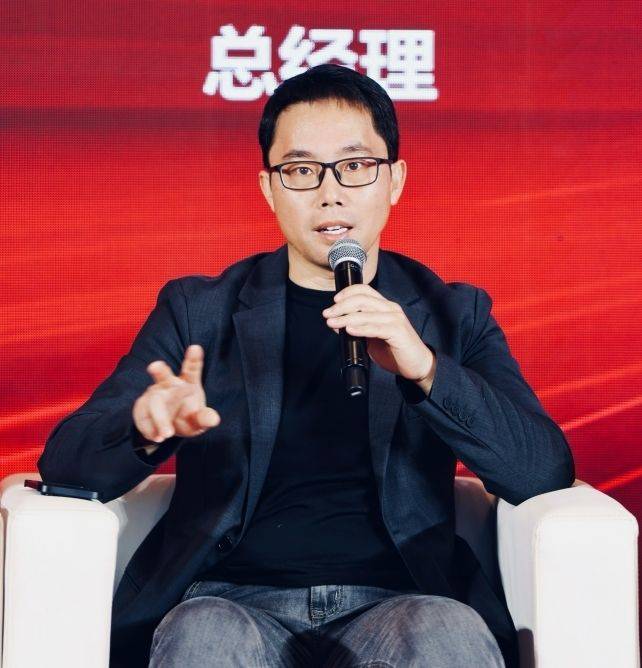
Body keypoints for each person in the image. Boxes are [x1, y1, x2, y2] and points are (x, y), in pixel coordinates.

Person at [38, 64, 575, 667]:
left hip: (404, 599)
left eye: (355, 165)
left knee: (446, 631)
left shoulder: (453, 313)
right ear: (269, 189)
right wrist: (145, 428)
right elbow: (66, 465)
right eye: (300, 171)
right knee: (203, 635)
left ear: (395, 180)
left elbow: (541, 469)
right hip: (229, 599)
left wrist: (426, 370)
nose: (330, 192)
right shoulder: (199, 311)